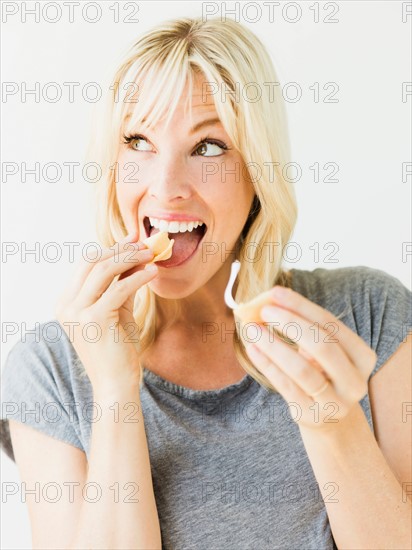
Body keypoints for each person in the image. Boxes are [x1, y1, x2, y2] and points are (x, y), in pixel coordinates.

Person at [1, 17, 411, 550]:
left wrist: (334, 425)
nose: (166, 187)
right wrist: (115, 392)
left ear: (257, 172)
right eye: (138, 141)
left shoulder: (368, 315)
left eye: (210, 146)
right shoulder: (50, 369)